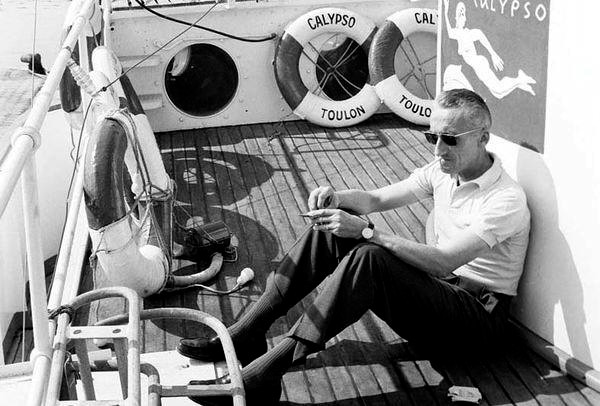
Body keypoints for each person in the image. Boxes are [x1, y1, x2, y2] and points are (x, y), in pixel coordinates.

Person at [179, 88, 531, 405]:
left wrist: (366, 232)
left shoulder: (505, 199)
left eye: (450, 139)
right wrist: (336, 198)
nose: (438, 149)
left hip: (475, 322)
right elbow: (376, 199)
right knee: (337, 225)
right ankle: (250, 330)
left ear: (483, 138)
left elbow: (443, 262)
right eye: (431, 136)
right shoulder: (444, 170)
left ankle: (265, 372)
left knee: (369, 256)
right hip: (439, 297)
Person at [443, 0, 536, 98]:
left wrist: (493, 54)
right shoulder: (459, 33)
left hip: (479, 64)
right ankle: (519, 82)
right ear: (456, 18)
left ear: (465, 19)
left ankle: (520, 79)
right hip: (478, 65)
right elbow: (451, 32)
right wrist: (446, 12)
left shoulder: (467, 33)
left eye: (463, 14)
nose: (462, 17)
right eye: (459, 14)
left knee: (499, 89)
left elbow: (481, 37)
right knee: (498, 94)